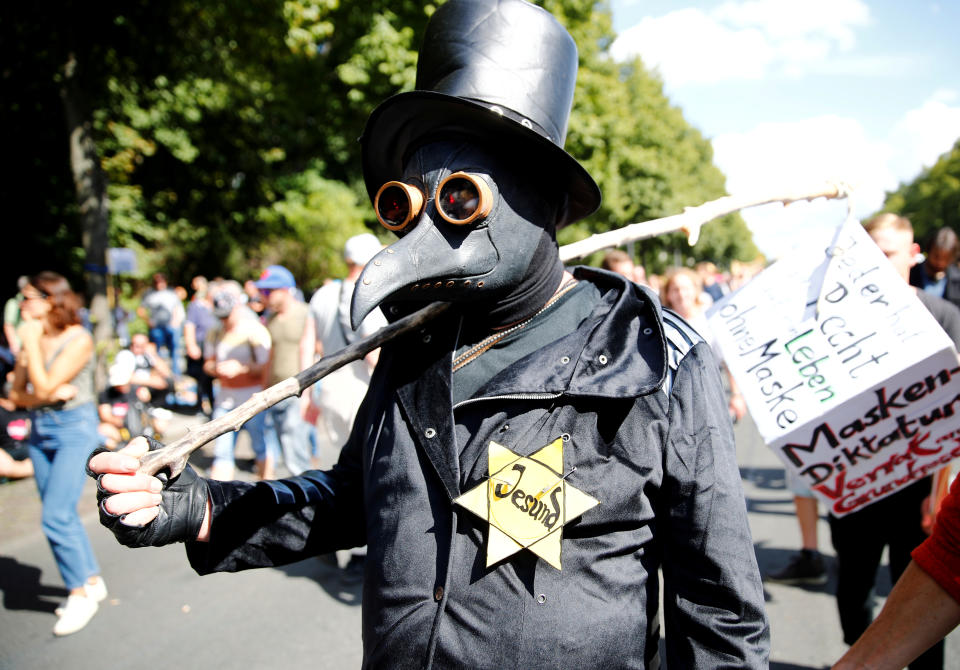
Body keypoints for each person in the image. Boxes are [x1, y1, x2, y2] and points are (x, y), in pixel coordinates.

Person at [88, 2, 769, 666]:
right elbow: (356, 497)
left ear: (549, 203)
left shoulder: (651, 360)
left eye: (462, 199)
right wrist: (206, 508)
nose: (422, 236)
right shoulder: (414, 347)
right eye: (402, 205)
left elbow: (719, 612)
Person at [825, 213, 960, 670]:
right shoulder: (832, 318)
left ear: (912, 255)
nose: (876, 264)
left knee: (923, 592)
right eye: (868, 253)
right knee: (853, 591)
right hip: (853, 485)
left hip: (919, 490)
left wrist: (940, 493)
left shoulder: (946, 317)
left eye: (887, 253)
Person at [10, 272, 107, 636]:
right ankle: (91, 579)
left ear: (51, 299)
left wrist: (32, 345)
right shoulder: (32, 340)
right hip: (40, 428)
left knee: (54, 516)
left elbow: (45, 383)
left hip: (73, 429)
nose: (23, 304)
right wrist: (45, 394)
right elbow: (17, 394)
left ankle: (79, 592)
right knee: (59, 513)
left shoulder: (77, 338)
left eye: (29, 296)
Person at [832, 474, 960, 670]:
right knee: (854, 585)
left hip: (914, 489)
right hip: (852, 490)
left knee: (923, 581)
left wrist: (937, 490)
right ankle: (856, 648)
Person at [307, 233, 387, 468]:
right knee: (367, 464)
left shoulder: (323, 294)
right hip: (361, 387)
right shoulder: (368, 292)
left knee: (344, 462)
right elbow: (373, 353)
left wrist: (309, 395)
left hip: (330, 388)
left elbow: (307, 344)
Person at [204, 282, 274, 481]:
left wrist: (241, 369)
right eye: (221, 316)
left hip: (251, 397)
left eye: (227, 315)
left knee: (260, 445)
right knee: (222, 452)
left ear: (237, 308)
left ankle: (267, 489)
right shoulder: (215, 332)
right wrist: (216, 370)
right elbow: (207, 364)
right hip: (225, 399)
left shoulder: (254, 330)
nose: (224, 321)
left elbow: (266, 366)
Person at [660, 267, 747, 422]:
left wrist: (736, 395)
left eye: (686, 288)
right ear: (668, 294)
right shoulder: (663, 324)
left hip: (709, 393)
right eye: (675, 289)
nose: (681, 294)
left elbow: (727, 358)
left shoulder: (709, 319)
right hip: (675, 403)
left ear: (695, 290)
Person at [255, 265, 313, 476]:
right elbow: (269, 358)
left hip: (297, 392)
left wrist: (310, 392)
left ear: (285, 289)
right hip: (273, 393)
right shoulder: (269, 318)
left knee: (294, 452)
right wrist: (262, 390)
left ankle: (308, 500)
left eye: (269, 291)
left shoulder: (306, 314)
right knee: (271, 447)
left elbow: (318, 352)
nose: (264, 296)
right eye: (263, 291)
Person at [137, 273, 185, 376]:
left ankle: (176, 374)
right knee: (156, 352)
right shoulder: (149, 294)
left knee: (175, 350)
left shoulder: (171, 292)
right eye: (157, 282)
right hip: (157, 327)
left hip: (170, 325)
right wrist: (148, 321)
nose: (159, 284)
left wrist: (175, 320)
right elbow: (141, 310)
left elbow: (177, 306)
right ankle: (160, 373)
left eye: (161, 281)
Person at [183, 275, 216, 416]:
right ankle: (202, 405)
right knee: (203, 378)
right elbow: (189, 325)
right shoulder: (196, 305)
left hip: (215, 346)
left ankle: (215, 405)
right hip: (202, 344)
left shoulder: (216, 306)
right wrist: (191, 345)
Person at [910, 226, 960, 310]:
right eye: (936, 257)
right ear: (929, 250)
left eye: (946, 259)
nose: (940, 262)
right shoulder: (911, 274)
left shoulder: (957, 281)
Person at [128, 332, 172, 404]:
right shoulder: (127, 355)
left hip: (149, 384)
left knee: (168, 381)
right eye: (135, 345)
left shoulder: (148, 355)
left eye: (142, 346)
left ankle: (156, 406)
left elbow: (166, 372)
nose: (138, 348)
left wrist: (154, 355)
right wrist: (151, 382)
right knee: (142, 390)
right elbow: (128, 378)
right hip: (136, 386)